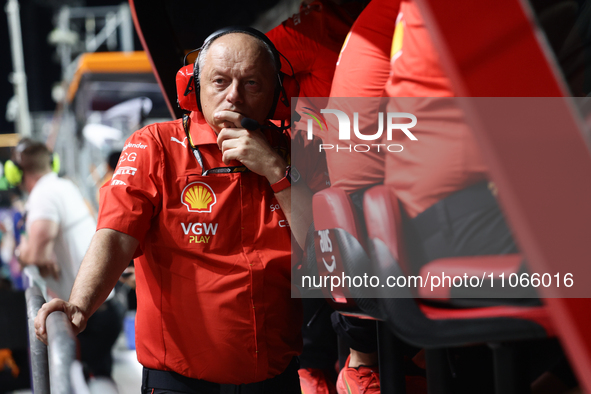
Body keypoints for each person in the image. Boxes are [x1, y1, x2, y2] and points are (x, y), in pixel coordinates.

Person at [35, 27, 328, 393]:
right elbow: (115, 235)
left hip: (275, 381)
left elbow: (327, 254)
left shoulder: (298, 154)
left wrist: (275, 171)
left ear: (276, 94)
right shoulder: (154, 146)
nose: (233, 97)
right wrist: (79, 307)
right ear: (194, 87)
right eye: (219, 81)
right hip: (178, 383)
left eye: (251, 84)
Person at [11, 139, 123, 378]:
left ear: (17, 172)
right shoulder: (64, 185)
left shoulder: (43, 195)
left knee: (79, 383)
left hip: (89, 318)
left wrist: (21, 251)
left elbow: (35, 254)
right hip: (103, 309)